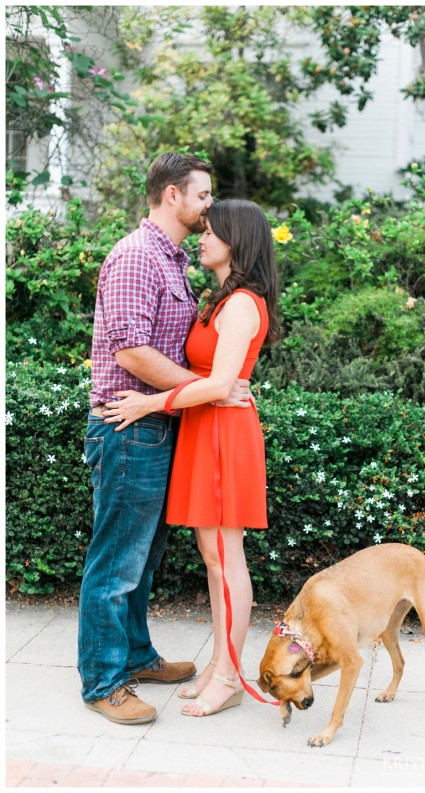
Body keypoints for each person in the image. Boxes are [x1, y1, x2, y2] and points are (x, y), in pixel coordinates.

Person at [79, 153, 252, 726]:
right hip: (130, 426)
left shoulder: (171, 259)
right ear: (174, 195)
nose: (209, 207)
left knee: (143, 559)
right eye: (203, 196)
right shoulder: (135, 257)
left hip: (162, 426)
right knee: (116, 564)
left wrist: (205, 390)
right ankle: (104, 682)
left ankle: (135, 656)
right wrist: (209, 388)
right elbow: (131, 351)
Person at [102, 198, 280, 717]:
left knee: (226, 559)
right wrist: (206, 390)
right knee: (213, 558)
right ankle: (218, 664)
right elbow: (215, 381)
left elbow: (223, 384)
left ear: (237, 241)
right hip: (208, 429)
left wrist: (149, 401)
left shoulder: (243, 302)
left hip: (224, 434)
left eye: (211, 231)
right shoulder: (219, 300)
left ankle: (228, 674)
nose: (200, 238)